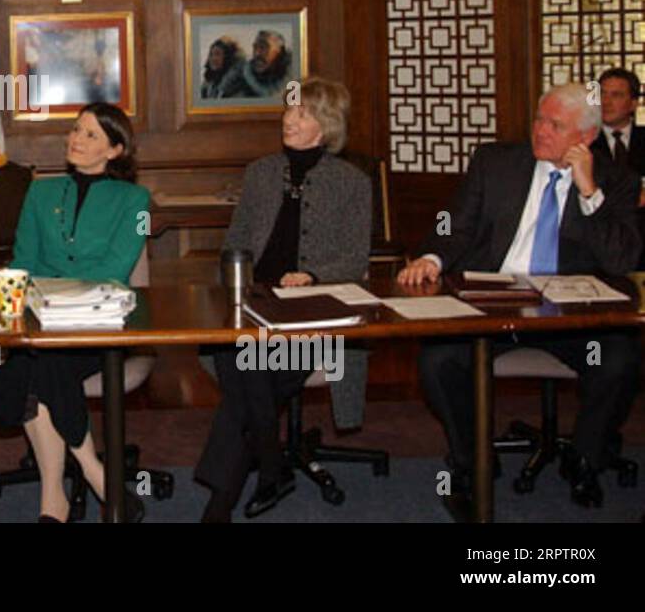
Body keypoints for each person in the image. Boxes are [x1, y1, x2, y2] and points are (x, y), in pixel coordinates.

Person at [399, 83, 642, 518]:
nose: (540, 131)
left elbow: (622, 259)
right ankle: (472, 462)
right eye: (538, 119)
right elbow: (452, 221)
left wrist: (589, 193)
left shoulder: (617, 181)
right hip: (494, 311)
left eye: (555, 125)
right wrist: (431, 256)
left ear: (585, 138)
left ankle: (584, 457)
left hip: (571, 321)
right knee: (438, 361)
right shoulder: (495, 163)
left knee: (619, 360)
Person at [195, 77, 371, 522]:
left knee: (246, 369)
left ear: (326, 125)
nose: (289, 120)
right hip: (254, 304)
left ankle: (223, 501)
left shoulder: (352, 182)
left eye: (303, 113)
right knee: (242, 361)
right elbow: (233, 243)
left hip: (315, 315)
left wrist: (312, 275)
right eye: (289, 110)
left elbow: (355, 259)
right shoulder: (260, 173)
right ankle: (272, 466)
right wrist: (239, 276)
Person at [0, 102, 150, 522]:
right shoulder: (40, 192)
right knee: (37, 363)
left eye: (91, 134)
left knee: (39, 366)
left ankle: (60, 493)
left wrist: (59, 294)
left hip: (104, 325)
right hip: (45, 321)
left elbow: (116, 270)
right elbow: (25, 261)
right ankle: (93, 478)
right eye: (76, 130)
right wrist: (40, 298)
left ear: (115, 150)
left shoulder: (137, 200)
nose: (76, 139)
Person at [591, 67, 645, 269]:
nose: (606, 102)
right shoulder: (584, 142)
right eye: (602, 94)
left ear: (633, 103)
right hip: (598, 241)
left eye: (616, 95)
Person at [219, 30, 292, 99]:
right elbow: (222, 90)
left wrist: (247, 73)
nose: (257, 53)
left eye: (263, 47)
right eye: (255, 47)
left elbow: (274, 96)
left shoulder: (292, 66)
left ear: (280, 51)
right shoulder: (249, 66)